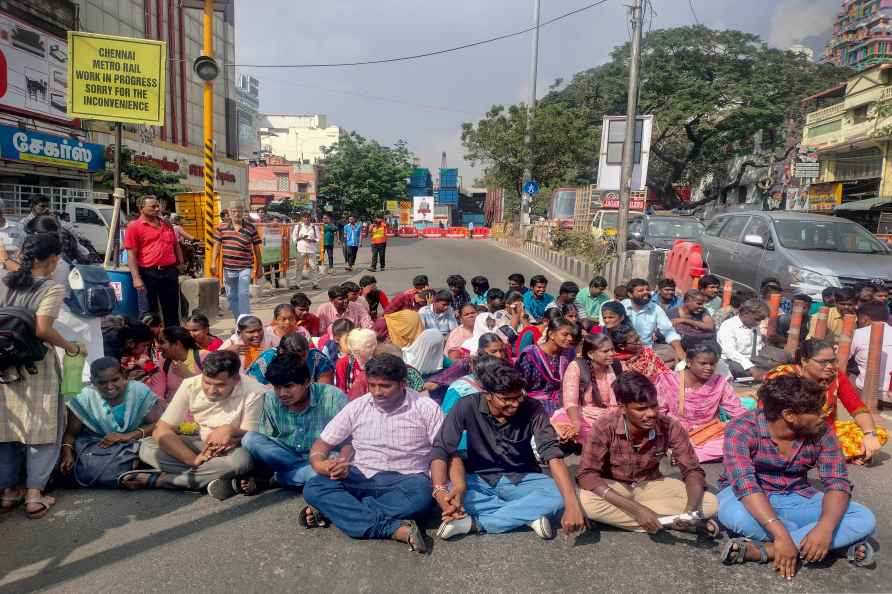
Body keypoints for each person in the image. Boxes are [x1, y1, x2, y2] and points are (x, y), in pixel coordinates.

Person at [717, 375, 876, 576]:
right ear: (790, 415)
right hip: (749, 499)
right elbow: (745, 485)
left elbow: (837, 482)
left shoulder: (821, 432)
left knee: (863, 517)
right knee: (733, 514)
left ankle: (769, 550)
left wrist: (825, 529)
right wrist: (781, 532)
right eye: (817, 412)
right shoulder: (742, 428)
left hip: (796, 496)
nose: (823, 416)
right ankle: (829, 545)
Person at [301, 354, 444, 554]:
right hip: (361, 475)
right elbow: (322, 443)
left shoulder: (425, 408)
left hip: (408, 481)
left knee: (421, 498)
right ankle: (393, 529)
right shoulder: (358, 407)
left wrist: (443, 489)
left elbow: (443, 451)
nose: (377, 392)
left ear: (402, 383)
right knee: (314, 487)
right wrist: (321, 464)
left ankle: (337, 512)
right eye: (372, 385)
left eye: (385, 386)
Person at [431, 359, 585, 540]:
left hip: (522, 478)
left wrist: (572, 504)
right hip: (478, 479)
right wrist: (439, 490)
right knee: (452, 492)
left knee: (561, 495)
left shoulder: (533, 407)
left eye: (518, 397)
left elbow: (553, 455)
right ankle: (527, 515)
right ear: (487, 394)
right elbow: (442, 448)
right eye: (506, 399)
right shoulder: (466, 405)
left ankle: (474, 524)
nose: (515, 404)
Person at [0, 232, 83, 518]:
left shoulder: (2, 279)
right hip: (37, 364)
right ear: (54, 259)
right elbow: (42, 329)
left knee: (7, 428)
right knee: (43, 425)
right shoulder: (51, 287)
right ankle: (35, 495)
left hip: (3, 364)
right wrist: (72, 347)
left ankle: (9, 490)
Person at [576, 371, 719, 536]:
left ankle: (662, 520)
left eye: (654, 406)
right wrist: (636, 509)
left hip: (651, 485)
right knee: (584, 500)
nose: (651, 413)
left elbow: (692, 470)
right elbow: (586, 475)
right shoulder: (605, 426)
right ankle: (668, 523)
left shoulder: (670, 426)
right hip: (615, 487)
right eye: (641, 409)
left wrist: (690, 512)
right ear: (623, 408)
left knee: (710, 502)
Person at [127, 350, 263, 499]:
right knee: (147, 446)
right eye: (207, 383)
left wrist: (229, 430)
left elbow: (252, 439)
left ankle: (164, 480)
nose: (211, 390)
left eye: (220, 385)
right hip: (202, 447)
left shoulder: (253, 391)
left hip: (233, 450)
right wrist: (192, 459)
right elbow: (162, 429)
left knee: (242, 461)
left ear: (236, 379)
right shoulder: (190, 385)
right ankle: (219, 478)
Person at [765, 339, 882, 464]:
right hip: (791, 432)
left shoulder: (835, 376)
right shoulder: (782, 375)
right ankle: (828, 454)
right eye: (823, 362)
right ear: (804, 361)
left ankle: (823, 454)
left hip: (822, 431)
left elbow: (857, 407)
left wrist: (870, 434)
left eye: (833, 361)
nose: (830, 366)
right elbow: (771, 416)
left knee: (878, 433)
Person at [240, 354, 348, 491]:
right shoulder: (270, 398)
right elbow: (268, 438)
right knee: (250, 439)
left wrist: (341, 462)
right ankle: (302, 474)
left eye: (288, 386)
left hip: (324, 455)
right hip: (287, 454)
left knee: (334, 463)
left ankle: (280, 478)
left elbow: (349, 441)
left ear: (307, 382)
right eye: (277, 387)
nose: (282, 393)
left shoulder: (333, 397)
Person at [60, 358, 162, 489]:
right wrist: (67, 454)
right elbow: (70, 434)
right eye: (102, 383)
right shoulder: (84, 398)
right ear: (92, 382)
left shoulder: (138, 391)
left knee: (162, 449)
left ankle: (132, 473)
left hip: (137, 442)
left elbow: (159, 424)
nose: (109, 386)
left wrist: (128, 436)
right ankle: (138, 474)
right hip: (101, 448)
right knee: (92, 468)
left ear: (124, 376)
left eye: (115, 380)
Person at [654, 342, 748, 463]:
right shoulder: (668, 380)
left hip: (709, 433)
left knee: (739, 440)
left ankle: (684, 455)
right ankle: (684, 452)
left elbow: (736, 410)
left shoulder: (719, 383)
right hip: (676, 432)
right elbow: (659, 412)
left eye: (712, 364)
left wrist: (756, 425)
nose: (709, 368)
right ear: (689, 362)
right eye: (703, 363)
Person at [550, 333, 623, 445]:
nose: (612, 354)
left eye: (612, 350)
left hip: (610, 414)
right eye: (605, 351)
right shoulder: (576, 367)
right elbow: (570, 401)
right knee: (565, 426)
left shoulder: (616, 366)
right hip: (582, 415)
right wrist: (576, 423)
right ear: (591, 354)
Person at [124, 195, 184, 326]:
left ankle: (172, 341)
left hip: (169, 272)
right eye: (153, 206)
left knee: (172, 310)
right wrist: (136, 278)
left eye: (158, 206)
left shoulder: (167, 225)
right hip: (148, 273)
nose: (158, 209)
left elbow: (175, 245)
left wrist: (180, 263)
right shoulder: (134, 227)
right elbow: (131, 255)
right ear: (141, 208)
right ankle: (152, 343)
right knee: (149, 314)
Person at [515, 317, 580, 415]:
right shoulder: (530, 355)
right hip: (535, 403)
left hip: (563, 399)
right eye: (565, 334)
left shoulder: (569, 352)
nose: (570, 338)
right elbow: (520, 386)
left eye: (571, 335)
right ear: (551, 334)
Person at [210, 202, 262, 321]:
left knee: (243, 294)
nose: (237, 213)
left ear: (243, 212)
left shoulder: (251, 228)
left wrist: (259, 267)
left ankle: (246, 323)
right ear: (229, 212)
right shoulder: (221, 227)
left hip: (245, 267)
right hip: (228, 268)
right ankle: (240, 322)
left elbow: (257, 249)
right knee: (232, 297)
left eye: (239, 211)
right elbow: (217, 246)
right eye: (233, 211)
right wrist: (213, 262)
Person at [622, 278, 685, 365]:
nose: (645, 292)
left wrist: (680, 352)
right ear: (630, 294)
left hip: (646, 350)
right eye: (640, 290)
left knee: (671, 353)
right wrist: (595, 330)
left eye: (647, 289)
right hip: (621, 348)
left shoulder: (655, 308)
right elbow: (602, 328)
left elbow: (669, 331)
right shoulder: (619, 306)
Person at [146, 326, 207, 405]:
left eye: (162, 342)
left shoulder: (204, 357)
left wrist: (188, 376)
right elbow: (157, 393)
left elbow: (215, 389)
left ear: (177, 344)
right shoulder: (163, 361)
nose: (158, 346)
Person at [248, 332, 334, 386]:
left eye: (303, 355)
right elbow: (255, 389)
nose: (299, 361)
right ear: (281, 352)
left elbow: (326, 388)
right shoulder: (267, 359)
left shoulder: (317, 358)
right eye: (294, 357)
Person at [717, 299, 770, 380]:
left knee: (782, 360)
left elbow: (759, 346)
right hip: (733, 361)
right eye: (757, 319)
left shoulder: (754, 325)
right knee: (736, 369)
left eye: (760, 320)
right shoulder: (728, 326)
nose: (758, 323)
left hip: (753, 359)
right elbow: (730, 352)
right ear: (745, 313)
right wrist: (751, 367)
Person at [850, 302, 892, 402]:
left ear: (864, 318)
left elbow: (840, 360)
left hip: (866, 392)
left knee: (845, 371)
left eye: (858, 319)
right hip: (890, 393)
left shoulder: (858, 334)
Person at [334, 328, 379, 400]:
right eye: (369, 346)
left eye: (375, 343)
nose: (375, 348)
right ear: (356, 351)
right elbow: (340, 391)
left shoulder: (380, 361)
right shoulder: (343, 363)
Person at [292, 212, 320, 290]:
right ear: (302, 218)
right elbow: (294, 238)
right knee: (299, 267)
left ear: (310, 218)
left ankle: (315, 284)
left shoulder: (314, 227)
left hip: (311, 249)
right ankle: (297, 284)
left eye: (308, 217)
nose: (306, 219)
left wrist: (311, 240)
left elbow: (318, 238)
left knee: (313, 267)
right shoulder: (298, 226)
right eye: (305, 217)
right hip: (301, 249)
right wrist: (301, 238)